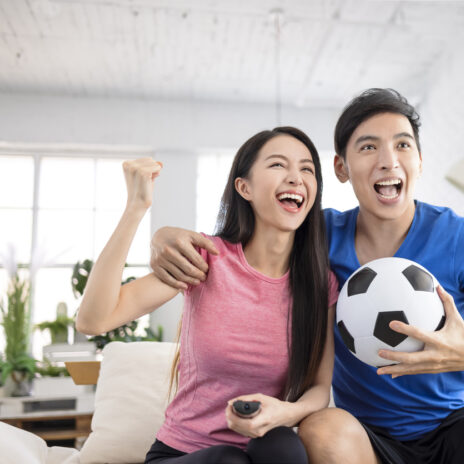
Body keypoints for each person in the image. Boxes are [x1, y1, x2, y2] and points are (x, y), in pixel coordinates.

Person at [149, 89, 464, 464]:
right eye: (369, 147)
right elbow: (249, 238)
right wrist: (163, 236)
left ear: (419, 160)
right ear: (340, 168)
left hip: (457, 424)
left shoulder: (459, 237)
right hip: (369, 440)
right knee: (321, 429)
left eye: (403, 145)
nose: (388, 161)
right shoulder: (317, 236)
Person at [75, 126, 338, 464]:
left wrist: (286, 413)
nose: (296, 178)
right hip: (182, 454)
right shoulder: (206, 258)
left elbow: (319, 387)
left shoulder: (319, 284)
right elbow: (94, 320)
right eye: (278, 165)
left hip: (262, 447)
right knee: (230, 461)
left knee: (283, 445)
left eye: (307, 169)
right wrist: (136, 208)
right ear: (244, 188)